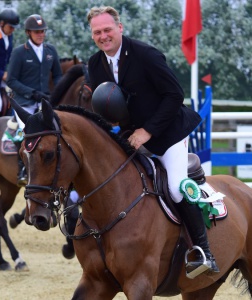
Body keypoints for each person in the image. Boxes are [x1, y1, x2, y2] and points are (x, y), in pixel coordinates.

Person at [87, 6, 219, 275]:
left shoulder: (145, 54)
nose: (103, 36)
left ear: (120, 28)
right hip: (130, 138)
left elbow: (174, 95)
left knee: (175, 188)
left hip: (167, 134)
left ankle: (202, 252)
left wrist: (147, 131)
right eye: (97, 32)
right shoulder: (94, 64)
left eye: (107, 29)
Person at [7, 14, 62, 186]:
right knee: (27, 133)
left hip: (45, 102)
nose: (41, 34)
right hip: (25, 103)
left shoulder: (50, 51)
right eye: (37, 31)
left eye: (43, 31)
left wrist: (59, 93)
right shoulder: (19, 52)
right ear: (29, 32)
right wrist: (32, 93)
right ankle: (23, 169)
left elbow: (59, 75)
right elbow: (11, 80)